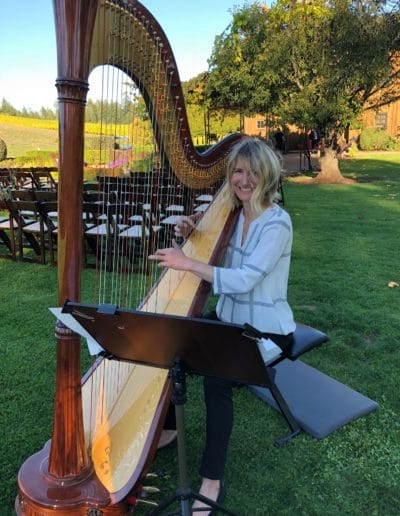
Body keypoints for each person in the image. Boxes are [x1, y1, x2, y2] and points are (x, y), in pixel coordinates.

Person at [149, 137, 296, 514]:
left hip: (265, 329)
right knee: (169, 337)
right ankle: (168, 427)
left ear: (268, 175)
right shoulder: (231, 212)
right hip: (229, 318)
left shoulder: (276, 224)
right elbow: (207, 242)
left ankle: (211, 481)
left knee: (216, 380)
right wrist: (190, 231)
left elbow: (245, 278)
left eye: (252, 172)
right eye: (237, 171)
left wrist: (186, 263)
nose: (244, 180)